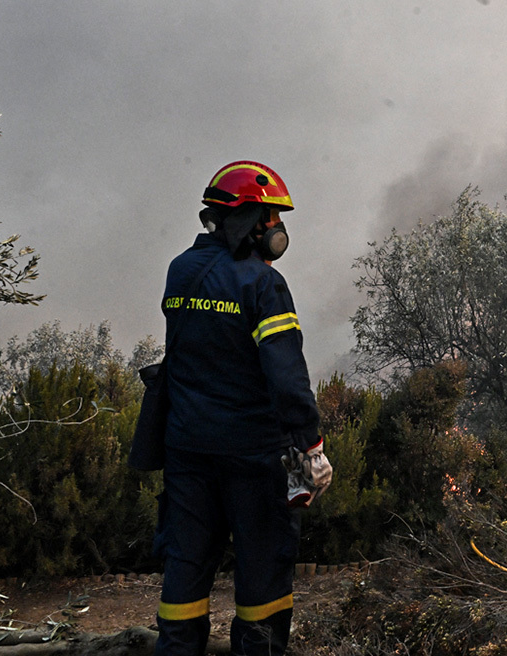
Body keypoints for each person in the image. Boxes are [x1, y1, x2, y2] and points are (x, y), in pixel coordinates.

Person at [153, 161, 332, 655]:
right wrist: (311, 446)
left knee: (185, 571)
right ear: (249, 221)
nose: (278, 228)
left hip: (187, 452)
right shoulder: (262, 285)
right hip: (252, 459)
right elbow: (287, 380)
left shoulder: (179, 271)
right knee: (262, 577)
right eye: (271, 217)